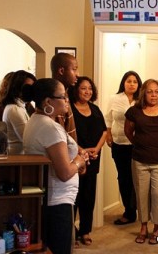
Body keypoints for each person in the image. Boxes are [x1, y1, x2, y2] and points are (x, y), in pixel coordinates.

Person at [22, 78, 89, 254]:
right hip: (58, 203)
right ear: (48, 102)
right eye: (63, 97)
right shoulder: (50, 127)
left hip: (51, 199)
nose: (67, 100)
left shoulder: (36, 120)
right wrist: (79, 161)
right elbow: (64, 173)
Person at [124, 79, 158, 245]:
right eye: (149, 92)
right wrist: (140, 144)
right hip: (140, 160)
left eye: (156, 92)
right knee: (141, 195)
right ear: (143, 94)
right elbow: (128, 131)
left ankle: (157, 228)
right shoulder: (134, 111)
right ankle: (143, 227)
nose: (153, 95)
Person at [68, 76, 107, 246]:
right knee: (74, 197)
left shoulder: (95, 109)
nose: (87, 91)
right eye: (84, 88)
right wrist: (82, 151)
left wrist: (97, 149)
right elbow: (66, 134)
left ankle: (85, 231)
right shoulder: (69, 109)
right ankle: (70, 231)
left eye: (90, 88)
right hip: (75, 158)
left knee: (88, 198)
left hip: (93, 159)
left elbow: (104, 132)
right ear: (76, 90)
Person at [104, 71, 142, 225]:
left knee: (138, 178)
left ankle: (142, 211)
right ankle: (129, 211)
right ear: (123, 83)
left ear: (139, 84)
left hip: (138, 144)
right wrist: (108, 134)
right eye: (129, 81)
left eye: (135, 81)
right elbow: (108, 118)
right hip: (119, 144)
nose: (132, 84)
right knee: (124, 178)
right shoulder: (114, 98)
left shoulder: (142, 100)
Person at [2, 70, 37, 154]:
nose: (29, 91)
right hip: (17, 159)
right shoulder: (14, 109)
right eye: (27, 88)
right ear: (17, 87)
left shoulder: (20, 107)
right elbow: (26, 139)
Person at [50, 52, 79, 141]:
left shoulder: (64, 93)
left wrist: (79, 150)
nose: (77, 74)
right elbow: (60, 138)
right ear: (61, 71)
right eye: (74, 69)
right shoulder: (55, 98)